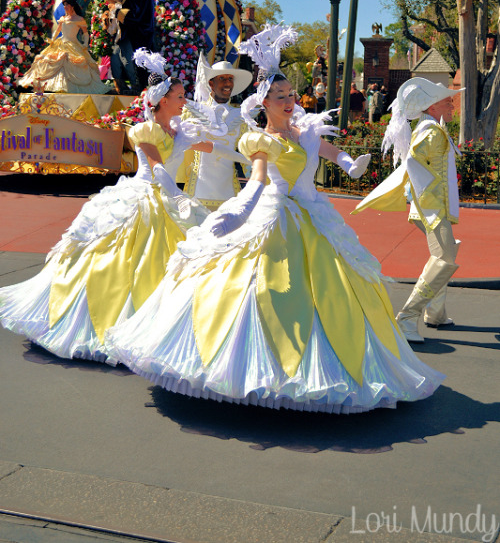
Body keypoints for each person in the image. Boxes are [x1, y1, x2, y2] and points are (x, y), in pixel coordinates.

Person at [106, 25, 443, 413]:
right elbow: (258, 179)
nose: (289, 100)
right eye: (280, 96)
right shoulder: (259, 140)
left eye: (290, 94)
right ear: (264, 101)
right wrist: (242, 210)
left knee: (333, 290)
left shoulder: (302, 133)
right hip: (270, 213)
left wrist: (351, 164)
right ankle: (248, 365)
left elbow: (327, 149)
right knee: (260, 286)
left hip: (310, 215)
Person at [0, 49, 221, 363]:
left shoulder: (178, 129)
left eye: (185, 95)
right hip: (147, 195)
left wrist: (222, 134)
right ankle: (110, 322)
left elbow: (211, 147)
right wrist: (179, 196)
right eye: (181, 95)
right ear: (163, 100)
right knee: (124, 260)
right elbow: (157, 167)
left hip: (166, 196)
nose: (185, 100)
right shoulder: (144, 130)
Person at [353, 77, 463, 343]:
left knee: (444, 252)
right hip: (433, 208)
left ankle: (435, 313)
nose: (452, 103)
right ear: (432, 105)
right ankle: (407, 317)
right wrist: (430, 200)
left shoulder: (432, 127)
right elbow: (413, 161)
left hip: (432, 206)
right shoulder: (431, 130)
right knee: (444, 258)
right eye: (447, 99)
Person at [183, 54, 254, 210]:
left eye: (230, 79)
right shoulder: (192, 112)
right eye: (222, 79)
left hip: (229, 196)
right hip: (197, 193)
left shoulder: (241, 117)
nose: (228, 83)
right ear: (211, 83)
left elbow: (249, 155)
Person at [18, 0, 108, 94]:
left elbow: (85, 34)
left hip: (73, 44)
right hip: (60, 43)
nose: (65, 7)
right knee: (47, 59)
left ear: (72, 6)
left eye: (67, 5)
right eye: (64, 5)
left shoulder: (79, 19)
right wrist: (52, 39)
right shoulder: (63, 18)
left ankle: (69, 88)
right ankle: (48, 86)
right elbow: (58, 30)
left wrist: (85, 44)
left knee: (71, 61)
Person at [104, 0, 156, 94]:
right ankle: (123, 88)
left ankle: (139, 89)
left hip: (139, 36)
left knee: (132, 64)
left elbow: (135, 17)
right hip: (128, 36)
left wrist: (117, 12)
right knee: (116, 61)